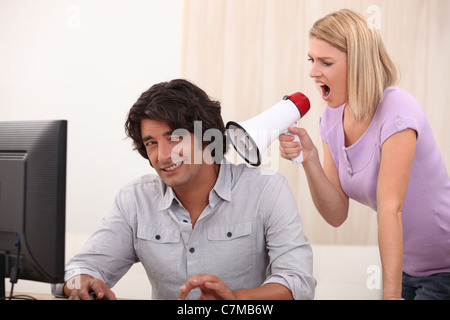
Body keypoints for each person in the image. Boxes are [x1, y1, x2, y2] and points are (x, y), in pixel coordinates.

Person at [52, 79, 315, 300]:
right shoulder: (135, 199)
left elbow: (298, 282)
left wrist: (235, 299)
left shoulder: (266, 190)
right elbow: (74, 271)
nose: (163, 155)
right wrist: (80, 283)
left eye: (174, 137)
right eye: (152, 143)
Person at [279, 9, 450, 300]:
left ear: (358, 63)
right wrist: (309, 159)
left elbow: (390, 208)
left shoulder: (397, 110)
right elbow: (335, 214)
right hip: (408, 266)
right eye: (312, 59)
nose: (312, 71)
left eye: (326, 62)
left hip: (445, 266)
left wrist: (390, 296)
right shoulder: (331, 119)